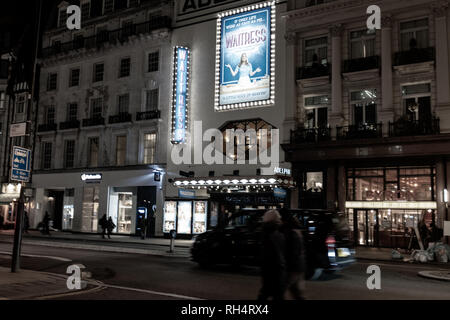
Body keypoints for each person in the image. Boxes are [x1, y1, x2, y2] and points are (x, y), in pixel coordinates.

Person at [258, 209, 286, 301]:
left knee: (265, 294)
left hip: (269, 272)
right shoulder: (277, 235)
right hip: (276, 272)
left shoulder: (265, 234)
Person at [279, 208, 306, 300]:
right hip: (298, 265)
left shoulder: (289, 230)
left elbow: (291, 251)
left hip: (292, 266)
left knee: (280, 290)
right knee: (295, 291)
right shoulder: (296, 227)